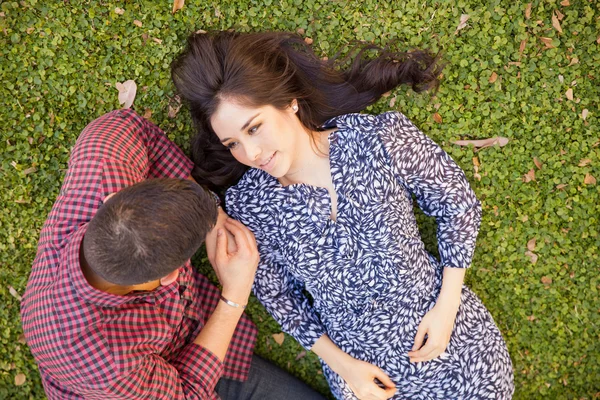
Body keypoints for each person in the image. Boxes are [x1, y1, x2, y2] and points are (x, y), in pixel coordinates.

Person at [171, 31, 515, 400]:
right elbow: (280, 298)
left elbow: (457, 202)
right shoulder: (251, 207)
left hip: (456, 343)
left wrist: (447, 306)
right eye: (232, 143)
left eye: (254, 127)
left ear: (288, 102)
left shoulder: (379, 140)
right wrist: (342, 365)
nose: (251, 152)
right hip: (367, 379)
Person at [20, 109, 326, 400]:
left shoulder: (104, 165)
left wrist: (213, 215)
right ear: (168, 277)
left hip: (182, 338)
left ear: (115, 197)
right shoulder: (105, 363)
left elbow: (131, 127)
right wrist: (234, 296)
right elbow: (190, 392)